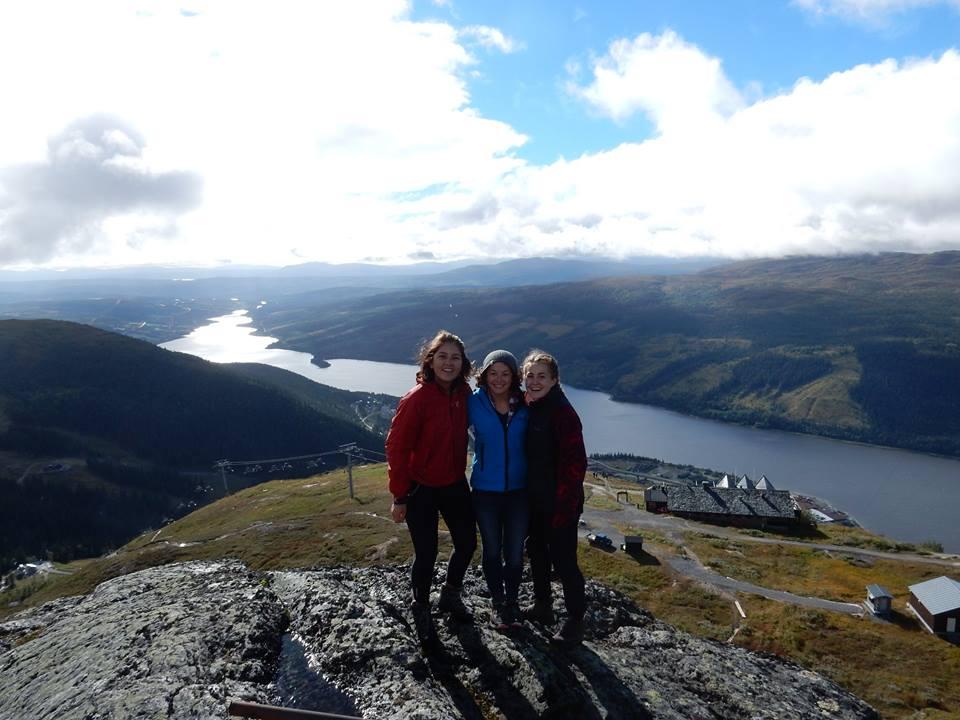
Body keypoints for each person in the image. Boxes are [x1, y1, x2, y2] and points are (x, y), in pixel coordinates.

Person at [385, 330, 477, 652]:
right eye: (442, 356)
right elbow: (396, 447)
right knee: (426, 555)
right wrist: (399, 495)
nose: (449, 363)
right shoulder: (417, 399)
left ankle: (450, 595)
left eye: (455, 357)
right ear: (430, 360)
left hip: (453, 483)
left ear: (463, 363)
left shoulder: (465, 395)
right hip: (421, 489)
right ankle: (420, 607)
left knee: (467, 543)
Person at [522, 349, 588, 644]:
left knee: (564, 560)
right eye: (529, 375)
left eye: (541, 376)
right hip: (535, 499)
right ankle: (542, 605)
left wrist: (564, 508)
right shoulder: (534, 405)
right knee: (536, 550)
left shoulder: (563, 413)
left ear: (554, 379)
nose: (534, 381)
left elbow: (576, 466)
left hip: (560, 502)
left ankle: (575, 620)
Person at [467, 349, 529, 631]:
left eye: (505, 373)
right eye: (493, 373)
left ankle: (513, 601)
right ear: (485, 375)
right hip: (485, 491)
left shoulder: (527, 405)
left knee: (515, 552)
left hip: (519, 491)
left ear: (514, 377)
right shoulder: (473, 403)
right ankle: (498, 603)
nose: (499, 379)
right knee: (492, 549)